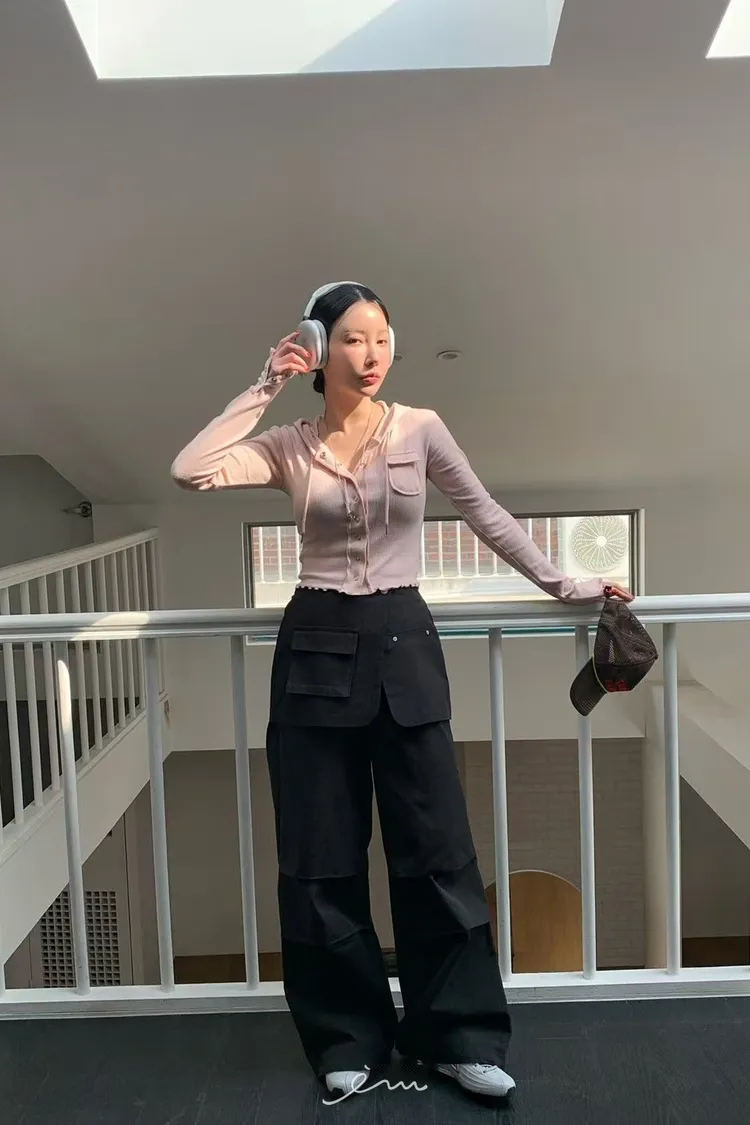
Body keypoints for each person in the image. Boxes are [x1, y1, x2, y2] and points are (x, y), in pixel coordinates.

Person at [171, 281, 632, 1102]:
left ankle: (458, 1036)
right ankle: (346, 1035)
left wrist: (568, 583)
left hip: (404, 646)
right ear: (321, 348)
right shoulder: (287, 445)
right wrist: (267, 380)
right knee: (320, 858)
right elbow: (190, 470)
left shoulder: (421, 428)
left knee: (438, 851)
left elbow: (486, 514)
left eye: (382, 337)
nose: (372, 354)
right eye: (352, 338)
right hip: (314, 651)